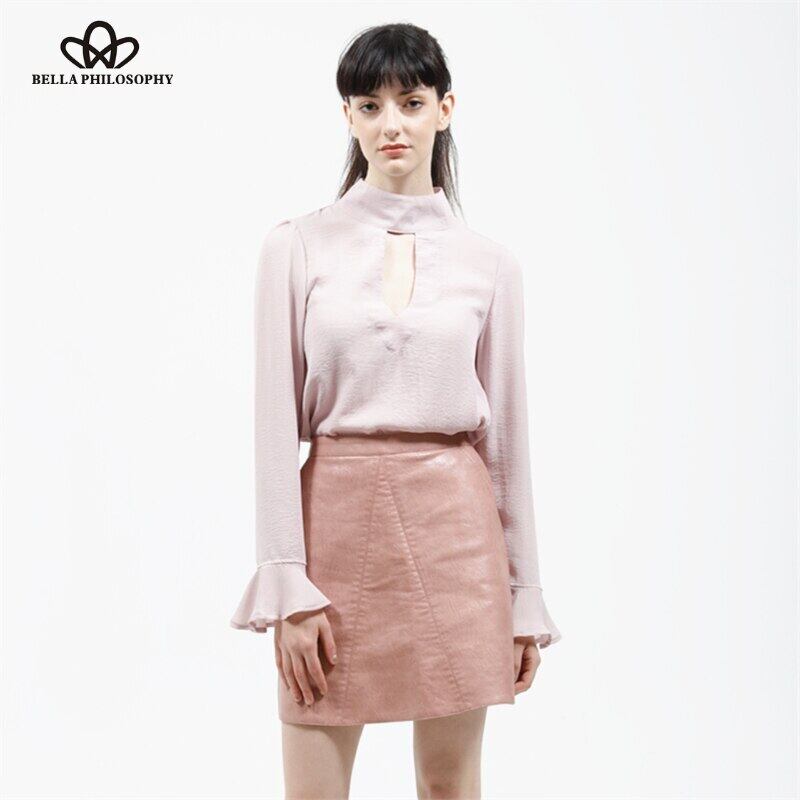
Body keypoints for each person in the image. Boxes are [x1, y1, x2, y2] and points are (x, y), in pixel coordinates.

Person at [230, 22, 562, 800]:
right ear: (347, 116)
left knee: (449, 786)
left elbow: (507, 443)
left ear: (445, 109)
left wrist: (524, 595)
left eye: (411, 102)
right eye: (370, 105)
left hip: (458, 540)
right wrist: (287, 583)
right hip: (334, 536)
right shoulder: (296, 247)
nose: (392, 124)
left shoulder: (491, 265)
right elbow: (273, 430)